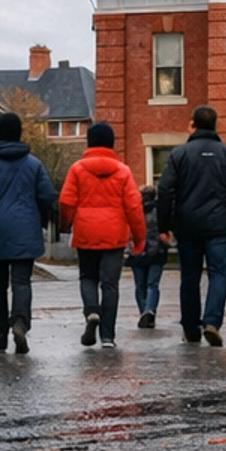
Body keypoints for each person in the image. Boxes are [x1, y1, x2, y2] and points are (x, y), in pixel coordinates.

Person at [156, 104, 226, 347]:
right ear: (215, 125)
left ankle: (191, 328)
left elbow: (166, 190)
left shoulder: (179, 155)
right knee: (219, 274)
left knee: (189, 277)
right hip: (221, 225)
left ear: (192, 124)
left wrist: (164, 224)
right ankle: (212, 321)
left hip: (187, 225)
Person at [0, 110, 55, 354]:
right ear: (19, 133)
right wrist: (43, 219)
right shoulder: (34, 164)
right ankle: (20, 324)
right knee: (22, 282)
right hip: (25, 229)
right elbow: (46, 195)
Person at [57, 122, 145, 348]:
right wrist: (139, 237)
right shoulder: (123, 171)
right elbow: (134, 207)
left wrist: (66, 226)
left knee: (87, 276)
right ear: (111, 143)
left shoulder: (77, 169)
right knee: (110, 285)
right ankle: (108, 336)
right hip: (114, 234)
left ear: (89, 142)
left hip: (86, 230)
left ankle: (91, 312)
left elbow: (66, 202)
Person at [130, 182, 168, 329]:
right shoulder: (159, 211)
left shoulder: (134, 210)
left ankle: (143, 313)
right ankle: (149, 311)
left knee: (140, 285)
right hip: (156, 251)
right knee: (152, 285)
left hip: (137, 252)